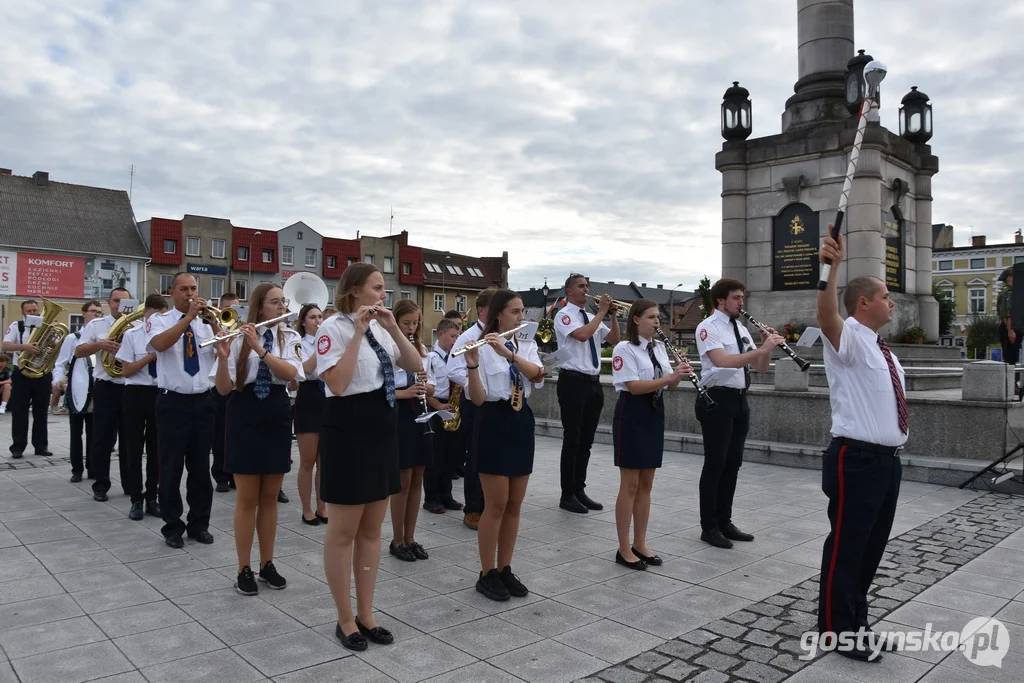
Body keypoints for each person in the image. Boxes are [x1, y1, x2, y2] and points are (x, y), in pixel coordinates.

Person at [316, 263, 424, 651]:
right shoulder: (332, 329)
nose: (384, 294)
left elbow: (414, 365)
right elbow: (339, 384)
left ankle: (367, 612)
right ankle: (344, 618)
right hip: (347, 429)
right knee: (343, 531)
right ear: (356, 289)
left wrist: (394, 328)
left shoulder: (383, 327)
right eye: (378, 287)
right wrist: (357, 333)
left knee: (372, 530)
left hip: (382, 427)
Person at [816, 233, 906, 662]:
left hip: (886, 462)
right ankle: (836, 631)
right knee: (847, 548)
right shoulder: (848, 336)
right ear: (863, 303)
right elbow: (827, 315)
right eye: (886, 297)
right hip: (856, 460)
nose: (892, 303)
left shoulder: (880, 347)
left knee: (870, 549)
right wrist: (830, 268)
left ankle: (857, 621)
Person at [213, 283, 303, 596]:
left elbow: (292, 374)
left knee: (270, 497)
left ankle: (267, 564)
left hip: (276, 410)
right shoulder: (237, 336)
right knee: (247, 498)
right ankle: (243, 567)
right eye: (275, 302)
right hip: (245, 411)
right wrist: (225, 356)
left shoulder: (290, 337)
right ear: (260, 307)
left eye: (283, 302)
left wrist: (261, 350)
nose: (281, 307)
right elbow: (224, 389)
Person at [463, 289, 544, 601]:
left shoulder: (526, 344)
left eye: (522, 311)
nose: (521, 317)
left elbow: (537, 375)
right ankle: (487, 573)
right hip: (493, 421)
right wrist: (472, 364)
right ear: (498, 315)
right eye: (515, 311)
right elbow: (479, 398)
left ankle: (505, 567)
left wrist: (510, 354)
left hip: (520, 418)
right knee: (495, 504)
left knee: (515, 503)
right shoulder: (482, 347)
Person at [694, 278, 782, 549]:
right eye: (736, 298)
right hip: (717, 399)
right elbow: (722, 361)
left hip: (740, 400)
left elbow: (761, 367)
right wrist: (761, 349)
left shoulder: (742, 328)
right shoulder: (708, 327)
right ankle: (708, 527)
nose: (741, 303)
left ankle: (725, 521)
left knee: (733, 464)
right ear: (720, 300)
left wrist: (765, 346)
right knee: (715, 464)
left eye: (742, 297)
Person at [610, 300, 692, 570]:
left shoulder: (657, 348)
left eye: (658, 317)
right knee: (630, 485)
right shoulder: (625, 348)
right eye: (651, 317)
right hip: (632, 414)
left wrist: (679, 371)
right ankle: (623, 548)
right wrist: (669, 379)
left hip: (654, 412)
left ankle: (640, 543)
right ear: (636, 319)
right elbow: (633, 386)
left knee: (647, 484)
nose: (657, 322)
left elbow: (669, 386)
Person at [146, 273, 219, 548]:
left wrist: (218, 333)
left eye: (194, 289)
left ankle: (200, 524)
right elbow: (160, 345)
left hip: (203, 400)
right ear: (172, 292)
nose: (190, 294)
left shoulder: (207, 322)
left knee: (200, 468)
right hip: (172, 402)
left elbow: (219, 354)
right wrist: (187, 318)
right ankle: (172, 526)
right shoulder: (160, 320)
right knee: (171, 466)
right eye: (184, 289)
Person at [554, 274, 620, 513]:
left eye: (587, 286)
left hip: (593, 383)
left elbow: (613, 339)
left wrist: (611, 314)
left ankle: (579, 489)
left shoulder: (592, 317)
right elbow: (581, 336)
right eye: (581, 286)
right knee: (573, 438)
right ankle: (567, 494)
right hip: (572, 381)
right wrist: (602, 312)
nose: (586, 290)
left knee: (586, 441)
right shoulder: (564, 315)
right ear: (569, 291)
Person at [447, 289, 498, 530]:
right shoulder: (468, 335)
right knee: (475, 455)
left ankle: (491, 504)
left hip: (493, 402)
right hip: (474, 401)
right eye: (494, 307)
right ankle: (473, 508)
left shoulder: (498, 335)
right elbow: (453, 369)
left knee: (491, 454)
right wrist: (475, 385)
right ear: (481, 310)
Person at [75, 288, 131, 502]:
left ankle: (130, 483)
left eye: (125, 301)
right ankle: (100, 485)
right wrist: (99, 344)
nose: (120, 305)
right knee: (102, 438)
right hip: (106, 386)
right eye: (116, 301)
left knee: (130, 438)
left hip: (129, 386)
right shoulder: (96, 325)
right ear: (109, 302)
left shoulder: (137, 325)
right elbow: (78, 351)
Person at [388, 299, 434, 561]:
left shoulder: (421, 349)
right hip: (399, 415)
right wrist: (405, 392)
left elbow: (433, 387)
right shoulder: (390, 348)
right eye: (406, 322)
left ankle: (411, 537)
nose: (411, 327)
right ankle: (397, 540)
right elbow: (380, 389)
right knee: (403, 481)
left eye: (415, 323)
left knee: (418, 478)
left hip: (420, 412)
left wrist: (426, 386)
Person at [115, 294, 167, 520]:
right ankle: (136, 498)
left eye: (162, 316)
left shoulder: (168, 336)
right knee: (133, 447)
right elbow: (126, 371)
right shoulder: (132, 335)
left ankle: (152, 497)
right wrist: (149, 357)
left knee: (157, 448)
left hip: (159, 393)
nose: (157, 320)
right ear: (145, 313)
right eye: (154, 315)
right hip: (136, 392)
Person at [52, 301, 103, 481]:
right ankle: (76, 469)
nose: (97, 315)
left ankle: (92, 467)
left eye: (99, 312)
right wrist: (58, 381)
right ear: (83, 314)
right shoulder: (73, 338)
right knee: (76, 433)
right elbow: (60, 362)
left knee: (94, 433)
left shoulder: (101, 337)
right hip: (76, 390)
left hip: (96, 390)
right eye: (93, 312)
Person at [423, 317, 464, 514]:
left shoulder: (456, 357)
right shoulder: (431, 358)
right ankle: (431, 497)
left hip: (452, 408)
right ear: (440, 335)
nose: (456, 340)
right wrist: (438, 404)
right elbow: (425, 388)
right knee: (435, 456)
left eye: (458, 336)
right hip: (436, 406)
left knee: (451, 455)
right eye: (452, 336)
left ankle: (446, 495)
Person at [4, 300, 52, 458]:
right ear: (23, 313)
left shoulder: (47, 326)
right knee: (19, 411)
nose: (33, 313)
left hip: (42, 373)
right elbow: (6, 345)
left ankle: (41, 446)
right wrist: (24, 347)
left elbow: (56, 345)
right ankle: (18, 447)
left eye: (35, 310)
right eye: (29, 311)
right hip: (22, 373)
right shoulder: (16, 326)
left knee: (41, 412)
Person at [293, 303, 327, 525]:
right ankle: (306, 509)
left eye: (320, 317)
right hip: (308, 396)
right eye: (313, 317)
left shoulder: (327, 340)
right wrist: (321, 348)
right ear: (303, 321)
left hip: (326, 396)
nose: (318, 321)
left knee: (324, 460)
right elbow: (303, 369)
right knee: (307, 460)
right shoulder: (297, 343)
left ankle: (322, 507)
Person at [212, 292, 239, 492]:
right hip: (219, 382)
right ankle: (221, 475)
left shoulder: (243, 326)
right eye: (228, 308)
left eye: (236, 308)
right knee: (220, 431)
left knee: (237, 432)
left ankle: (236, 474)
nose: (232, 312)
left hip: (239, 383)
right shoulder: (213, 326)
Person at [997, 269, 1023, 396]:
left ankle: (1013, 385)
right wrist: (1010, 331)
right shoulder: (1008, 293)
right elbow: (1007, 314)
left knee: (1013, 356)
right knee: (1010, 358)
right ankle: (1010, 386)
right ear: (1010, 278)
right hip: (1010, 328)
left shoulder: (1016, 292)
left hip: (1017, 328)